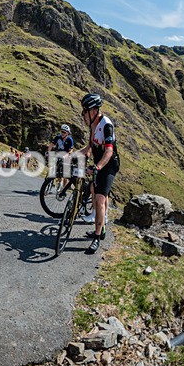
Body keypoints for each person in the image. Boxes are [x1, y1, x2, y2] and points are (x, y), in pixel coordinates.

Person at [78, 92, 120, 254]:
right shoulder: (92, 126)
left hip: (109, 165)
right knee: (95, 192)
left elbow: (109, 151)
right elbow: (89, 146)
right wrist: (72, 155)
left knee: (100, 198)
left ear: (94, 111)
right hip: (99, 163)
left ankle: (96, 237)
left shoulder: (106, 125)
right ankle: (101, 228)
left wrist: (98, 167)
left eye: (85, 111)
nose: (83, 115)